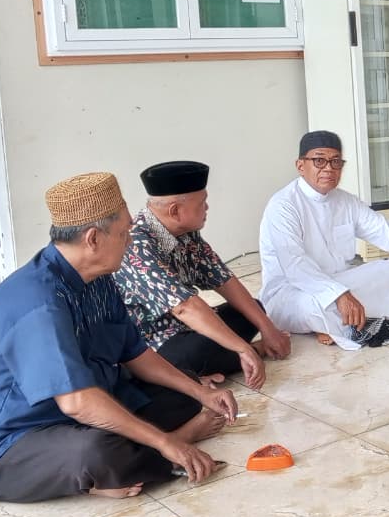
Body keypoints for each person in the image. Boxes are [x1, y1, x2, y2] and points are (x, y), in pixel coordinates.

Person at [0, 172, 238, 503]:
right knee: (98, 451)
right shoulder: (38, 302)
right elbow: (78, 403)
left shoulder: (99, 278)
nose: (130, 240)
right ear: (93, 238)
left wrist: (200, 392)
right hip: (8, 439)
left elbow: (136, 354)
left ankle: (136, 460)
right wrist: (166, 442)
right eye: (124, 233)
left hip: (80, 411)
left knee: (184, 390)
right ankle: (153, 453)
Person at [259, 130, 389, 349]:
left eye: (336, 162)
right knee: (314, 306)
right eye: (319, 161)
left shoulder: (346, 201)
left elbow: (386, 232)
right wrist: (338, 295)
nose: (329, 168)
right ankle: (379, 321)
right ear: (300, 165)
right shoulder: (283, 205)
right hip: (292, 293)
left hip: (343, 282)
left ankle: (358, 324)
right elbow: (295, 266)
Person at [115, 160, 290, 391]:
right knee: (198, 351)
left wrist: (268, 328)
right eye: (202, 203)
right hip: (150, 347)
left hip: (187, 329)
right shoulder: (137, 244)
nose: (207, 208)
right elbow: (184, 307)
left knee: (253, 310)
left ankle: (217, 364)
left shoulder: (187, 233)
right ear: (175, 210)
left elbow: (223, 279)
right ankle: (249, 354)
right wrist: (243, 348)